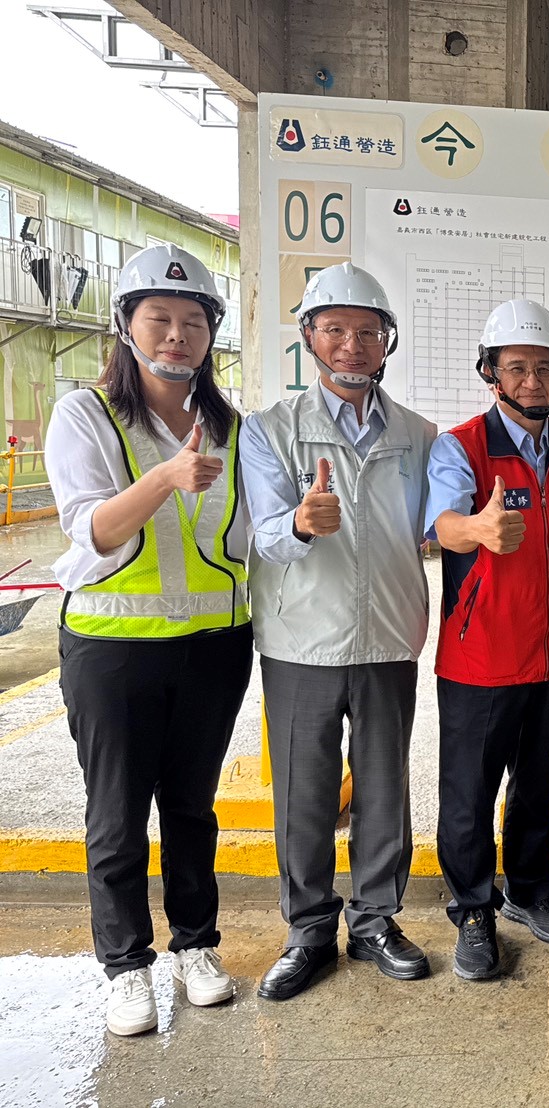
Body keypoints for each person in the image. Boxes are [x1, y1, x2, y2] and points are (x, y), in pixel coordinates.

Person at [47, 243, 251, 1035]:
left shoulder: (230, 427)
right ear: (126, 326)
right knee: (117, 813)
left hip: (214, 646)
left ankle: (196, 946)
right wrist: (164, 477)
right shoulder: (86, 414)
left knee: (192, 809)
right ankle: (126, 965)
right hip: (114, 648)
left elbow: (248, 535)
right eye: (158, 318)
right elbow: (93, 530)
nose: (176, 335)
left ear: (211, 334)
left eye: (193, 321)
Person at [242, 262, 437, 1000]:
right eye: (335, 329)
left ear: (387, 341)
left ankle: (377, 922)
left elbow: (435, 526)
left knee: (385, 788)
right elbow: (265, 535)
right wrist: (299, 522)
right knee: (305, 794)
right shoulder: (272, 430)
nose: (352, 345)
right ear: (308, 337)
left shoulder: (418, 435)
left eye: (367, 331)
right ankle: (308, 930)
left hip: (389, 635)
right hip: (302, 641)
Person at [426, 298, 549, 980]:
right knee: (469, 795)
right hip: (482, 658)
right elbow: (442, 524)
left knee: (538, 785)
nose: (532, 380)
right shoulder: (462, 446)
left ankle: (529, 891)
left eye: (544, 368)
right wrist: (477, 529)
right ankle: (472, 910)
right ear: (490, 374)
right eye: (517, 367)